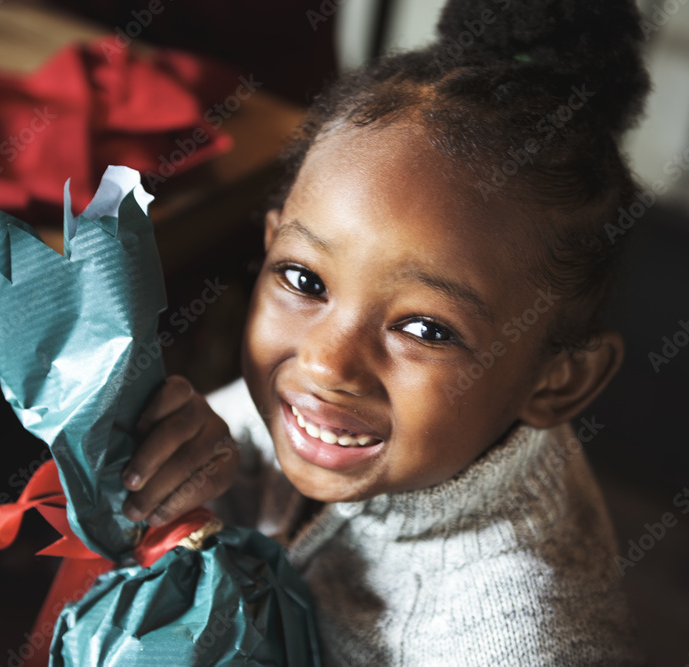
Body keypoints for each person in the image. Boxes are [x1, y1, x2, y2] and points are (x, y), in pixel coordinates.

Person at [118, 0, 649, 663]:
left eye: (426, 328)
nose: (327, 362)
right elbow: (233, 445)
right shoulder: (350, 417)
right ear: (271, 243)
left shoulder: (512, 644)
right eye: (306, 281)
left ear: (558, 379)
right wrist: (192, 464)